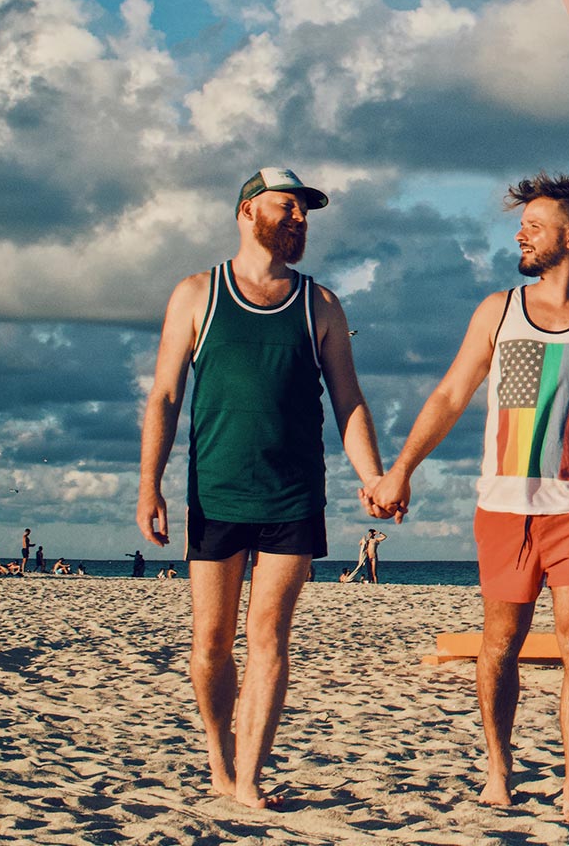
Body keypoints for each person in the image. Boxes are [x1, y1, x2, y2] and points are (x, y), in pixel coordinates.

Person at [368, 173, 569, 826]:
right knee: (499, 641)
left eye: (534, 224)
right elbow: (449, 395)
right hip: (503, 509)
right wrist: (401, 470)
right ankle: (499, 770)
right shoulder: (497, 311)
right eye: (522, 224)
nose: (521, 234)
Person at [134, 166, 388, 810]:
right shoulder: (197, 293)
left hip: (294, 496)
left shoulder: (321, 304)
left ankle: (249, 776)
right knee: (211, 645)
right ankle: (220, 758)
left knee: (270, 634)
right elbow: (165, 396)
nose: (299, 219)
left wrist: (372, 474)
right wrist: (150, 486)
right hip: (215, 493)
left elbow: (349, 401)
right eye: (288, 208)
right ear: (247, 211)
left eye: (305, 211)